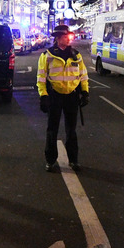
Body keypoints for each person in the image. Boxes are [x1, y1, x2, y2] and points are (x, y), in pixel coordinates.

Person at [37, 24, 89, 172]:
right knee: (52, 130)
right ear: (58, 39)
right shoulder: (47, 55)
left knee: (71, 130)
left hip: (71, 96)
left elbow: (83, 75)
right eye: (65, 37)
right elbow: (41, 77)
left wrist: (85, 92)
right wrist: (43, 96)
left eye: (68, 37)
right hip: (55, 96)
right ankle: (50, 160)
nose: (68, 39)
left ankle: (74, 160)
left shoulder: (76, 55)